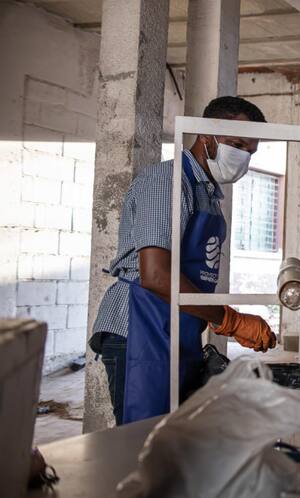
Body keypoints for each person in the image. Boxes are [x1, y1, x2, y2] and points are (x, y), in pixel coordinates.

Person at [89, 96, 277, 425]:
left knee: (172, 437)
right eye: (237, 144)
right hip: (139, 329)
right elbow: (157, 276)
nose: (244, 156)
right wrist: (229, 320)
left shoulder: (209, 195)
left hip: (178, 330)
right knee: (141, 439)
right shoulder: (169, 182)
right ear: (206, 135)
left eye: (251, 150)